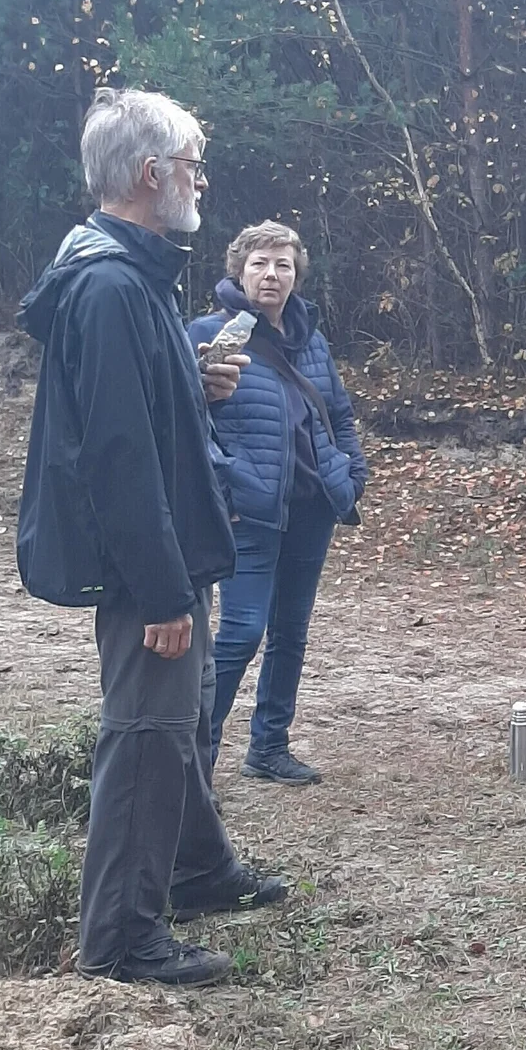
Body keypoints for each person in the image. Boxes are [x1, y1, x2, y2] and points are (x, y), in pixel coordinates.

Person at [16, 87, 288, 988]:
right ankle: (121, 939)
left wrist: (191, 382)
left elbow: (138, 408)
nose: (201, 180)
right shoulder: (107, 287)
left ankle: (197, 869)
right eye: (192, 165)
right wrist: (163, 594)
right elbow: (118, 458)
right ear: (149, 172)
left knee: (183, 713)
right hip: (145, 564)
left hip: (168, 548)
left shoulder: (134, 276)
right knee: (146, 728)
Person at [188, 221, 368, 784]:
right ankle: (193, 764)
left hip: (312, 507)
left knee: (290, 633)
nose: (272, 274)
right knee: (241, 632)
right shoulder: (208, 335)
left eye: (283, 264)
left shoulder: (311, 340)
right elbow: (189, 423)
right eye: (260, 263)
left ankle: (269, 748)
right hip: (249, 509)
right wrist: (222, 489)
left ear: (296, 275)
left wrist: (352, 473)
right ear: (239, 270)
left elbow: (338, 413)